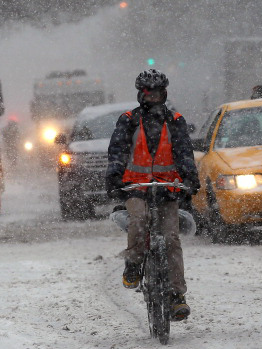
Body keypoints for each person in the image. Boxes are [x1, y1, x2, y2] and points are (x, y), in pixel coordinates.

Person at [106, 69, 200, 321]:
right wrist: (114, 178)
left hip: (167, 189)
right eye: (148, 93)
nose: (152, 97)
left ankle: (177, 296)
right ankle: (134, 264)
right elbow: (117, 152)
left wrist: (191, 178)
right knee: (138, 221)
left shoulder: (176, 121)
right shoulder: (128, 120)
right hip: (136, 187)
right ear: (140, 94)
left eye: (157, 92)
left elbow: (184, 154)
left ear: (164, 93)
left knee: (171, 239)